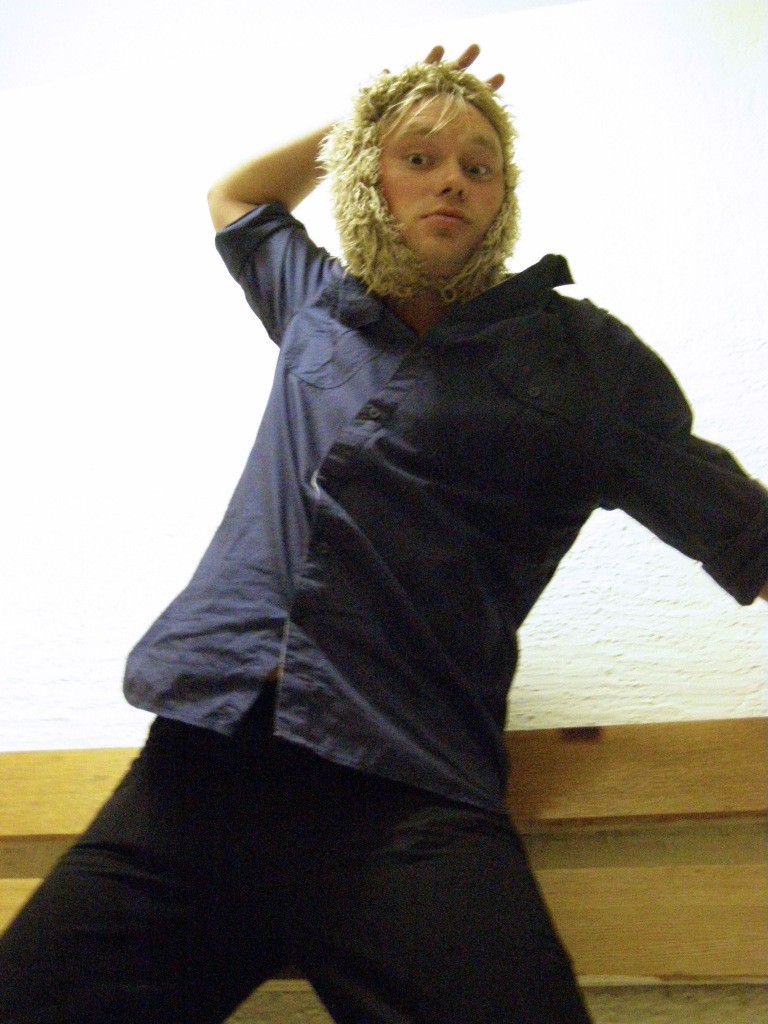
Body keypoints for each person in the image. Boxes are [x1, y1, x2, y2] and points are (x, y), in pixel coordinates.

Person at [1, 44, 766, 1024]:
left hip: (404, 798)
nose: (451, 178)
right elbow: (237, 196)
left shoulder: (583, 361)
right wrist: (367, 113)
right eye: (419, 156)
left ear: (501, 199)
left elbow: (746, 532)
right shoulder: (318, 305)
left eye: (478, 165)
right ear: (371, 178)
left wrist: (403, 125)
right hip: (198, 774)